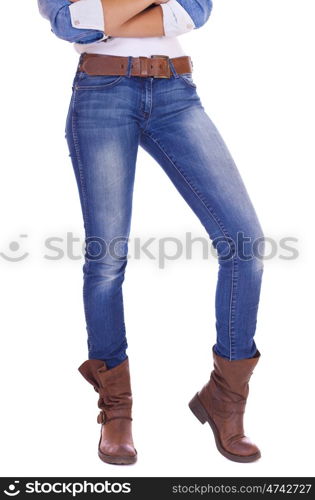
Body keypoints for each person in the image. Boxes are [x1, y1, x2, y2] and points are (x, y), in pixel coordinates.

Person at [37, 0, 265, 465]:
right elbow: (68, 22)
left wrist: (109, 15)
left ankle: (226, 397)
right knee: (107, 258)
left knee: (245, 246)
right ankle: (116, 411)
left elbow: (196, 11)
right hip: (102, 91)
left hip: (176, 91)